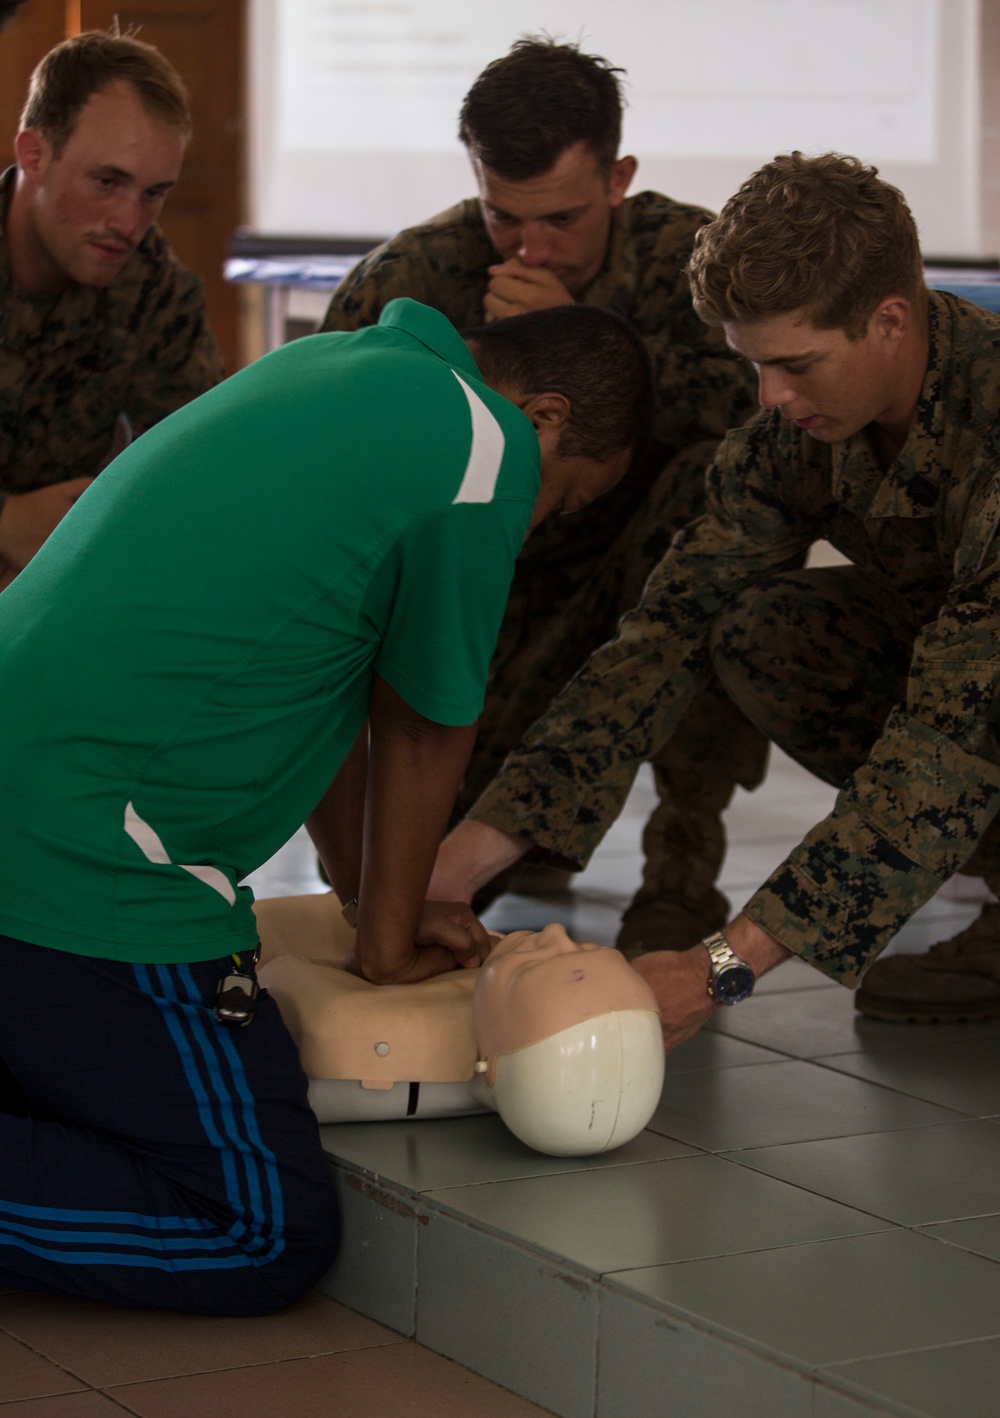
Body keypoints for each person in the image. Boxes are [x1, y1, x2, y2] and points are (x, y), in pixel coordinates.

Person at [0, 295, 652, 1313]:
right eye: (564, 500)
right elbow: (426, 724)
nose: (541, 517)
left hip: (34, 805)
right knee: (263, 1226)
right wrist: (386, 947)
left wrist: (364, 894)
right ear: (548, 418)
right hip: (89, 860)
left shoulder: (333, 367)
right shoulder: (485, 447)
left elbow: (343, 691)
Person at [430, 151, 1000, 1042]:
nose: (772, 398)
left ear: (891, 320)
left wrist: (721, 968)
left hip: (976, 723)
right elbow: (664, 633)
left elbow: (953, 741)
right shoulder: (798, 429)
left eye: (797, 365)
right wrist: (468, 855)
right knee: (763, 630)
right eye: (755, 366)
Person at [322, 37, 761, 954]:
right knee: (435, 881)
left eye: (559, 218)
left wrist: (591, 351)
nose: (528, 247)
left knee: (720, 511)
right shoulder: (413, 279)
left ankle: (681, 871)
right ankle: (505, 844)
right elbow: (339, 479)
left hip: (643, 560)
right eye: (501, 216)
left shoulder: (695, 261)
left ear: (618, 178)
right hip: (488, 594)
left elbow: (763, 412)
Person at [0, 30, 223, 588]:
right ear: (34, 154)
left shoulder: (154, 290)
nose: (128, 223)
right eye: (106, 182)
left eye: (153, 194)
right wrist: (4, 522)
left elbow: (197, 477)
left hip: (54, 598)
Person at [253, 893, 664, 1157]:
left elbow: (279, 978)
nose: (556, 931)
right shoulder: (504, 1000)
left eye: (532, 963)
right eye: (586, 946)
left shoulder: (357, 1026)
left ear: (491, 1062)